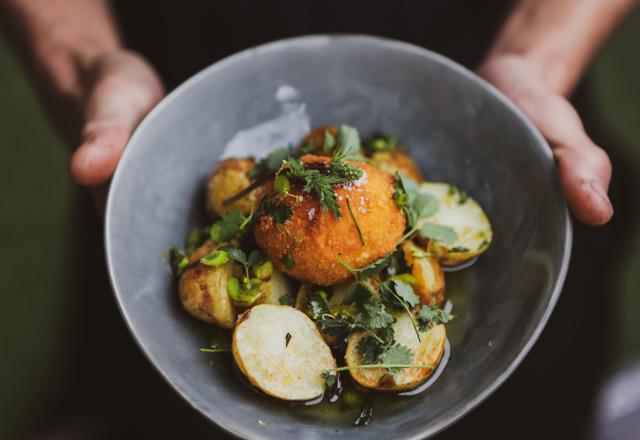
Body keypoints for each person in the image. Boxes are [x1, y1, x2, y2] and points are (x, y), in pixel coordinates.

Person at [1, 0, 637, 438]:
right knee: (141, 410)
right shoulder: (259, 204)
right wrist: (86, 60)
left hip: (479, 51)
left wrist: (538, 59)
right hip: (177, 63)